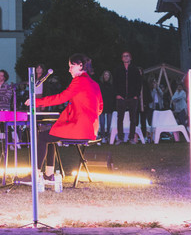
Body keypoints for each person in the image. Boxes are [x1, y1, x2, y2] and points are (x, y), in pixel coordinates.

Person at [30, 53, 102, 181]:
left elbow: (61, 98)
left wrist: (36, 101)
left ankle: (35, 175)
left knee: (42, 137)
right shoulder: (94, 83)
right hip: (90, 129)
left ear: (80, 66)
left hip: (79, 128)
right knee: (49, 134)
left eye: (71, 66)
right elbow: (100, 108)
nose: (69, 70)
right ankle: (49, 174)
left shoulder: (79, 80)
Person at [112, 51, 143, 144]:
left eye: (127, 56)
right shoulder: (118, 69)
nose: (126, 57)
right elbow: (115, 83)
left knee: (133, 119)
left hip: (132, 98)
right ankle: (120, 138)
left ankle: (131, 138)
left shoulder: (135, 69)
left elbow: (139, 83)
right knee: (120, 118)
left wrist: (136, 95)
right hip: (121, 98)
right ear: (122, 58)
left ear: (130, 58)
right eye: (124, 56)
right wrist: (117, 94)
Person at [98, 70, 115, 142]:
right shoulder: (100, 85)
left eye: (107, 75)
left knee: (109, 122)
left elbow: (113, 96)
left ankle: (108, 135)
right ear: (103, 76)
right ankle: (102, 135)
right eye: (105, 74)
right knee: (102, 122)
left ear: (109, 76)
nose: (106, 76)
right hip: (101, 105)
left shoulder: (112, 85)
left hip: (109, 105)